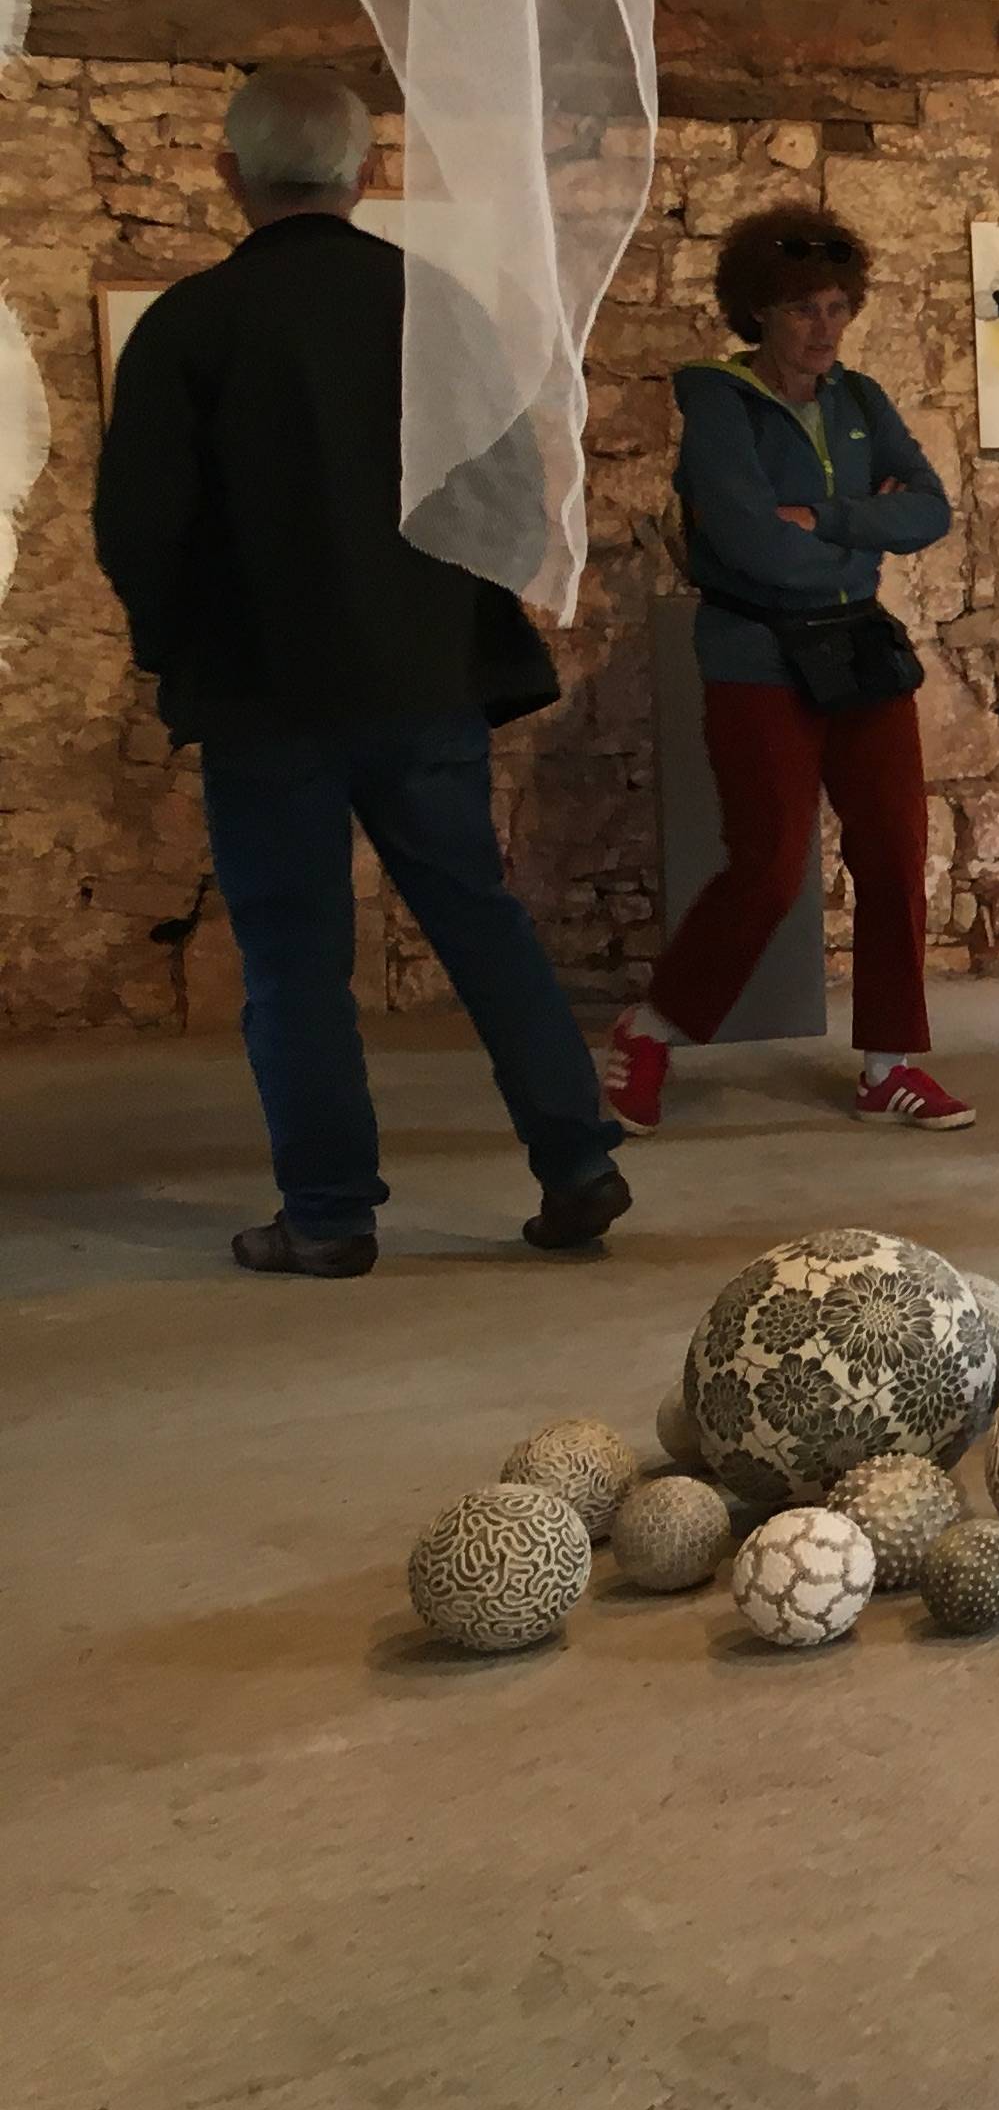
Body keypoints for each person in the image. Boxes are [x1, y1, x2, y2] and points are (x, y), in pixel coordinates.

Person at [92, 66, 631, 1276]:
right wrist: (444, 625)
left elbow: (138, 528)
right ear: (365, 172)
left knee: (292, 961)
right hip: (422, 681)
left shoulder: (190, 325)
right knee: (482, 926)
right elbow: (503, 503)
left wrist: (181, 648)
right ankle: (578, 1161)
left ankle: (330, 1216)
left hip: (263, 695)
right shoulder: (436, 312)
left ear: (228, 175)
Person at [598, 207, 971, 1134]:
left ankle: (888, 1065)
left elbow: (930, 511)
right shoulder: (718, 401)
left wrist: (830, 521)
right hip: (756, 653)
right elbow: (745, 542)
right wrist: (850, 533)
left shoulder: (861, 400)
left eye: (840, 306)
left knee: (893, 850)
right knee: (766, 867)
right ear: (758, 310)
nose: (825, 327)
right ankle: (647, 1034)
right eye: (805, 307)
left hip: (859, 651)